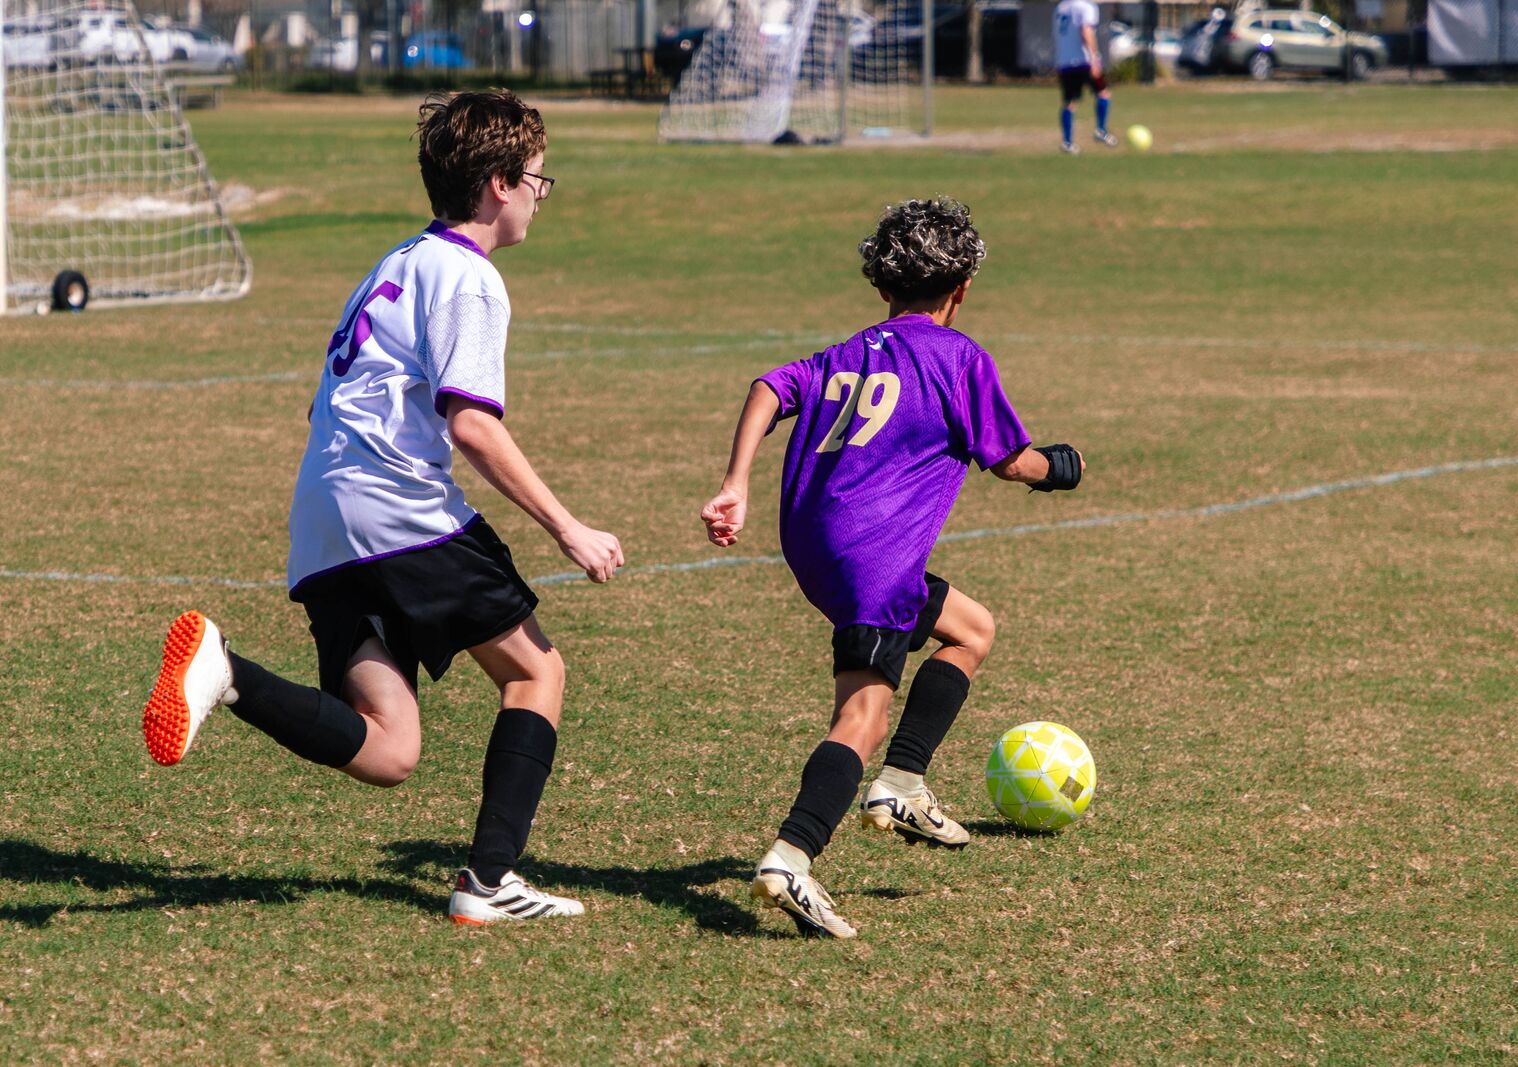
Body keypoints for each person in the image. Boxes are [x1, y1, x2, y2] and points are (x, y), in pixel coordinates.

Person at [140, 89, 625, 925]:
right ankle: (488, 883)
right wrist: (569, 526)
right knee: (536, 670)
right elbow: (470, 424)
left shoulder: (396, 262)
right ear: (500, 183)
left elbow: (327, 402)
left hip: (323, 518)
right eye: (539, 181)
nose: (542, 198)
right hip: (397, 508)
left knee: (390, 747)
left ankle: (227, 673)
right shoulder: (471, 278)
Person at [699, 197, 1084, 938]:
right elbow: (1009, 461)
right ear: (963, 287)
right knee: (861, 715)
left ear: (883, 286)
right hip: (873, 557)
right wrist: (1060, 467)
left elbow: (766, 388)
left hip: (815, 545)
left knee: (970, 628)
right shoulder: (960, 357)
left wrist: (735, 482)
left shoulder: (846, 353)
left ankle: (902, 785)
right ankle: (792, 856)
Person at [1054, 0, 1116, 154]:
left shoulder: (1060, 7)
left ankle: (1067, 142)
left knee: (1069, 102)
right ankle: (1101, 130)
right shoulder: (1086, 7)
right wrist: (1094, 57)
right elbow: (1086, 31)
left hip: (1064, 61)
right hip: (1084, 60)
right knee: (1103, 93)